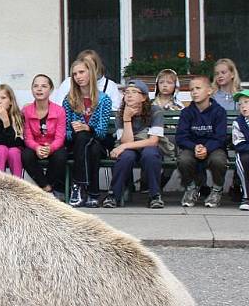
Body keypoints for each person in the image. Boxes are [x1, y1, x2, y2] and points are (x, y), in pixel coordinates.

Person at [102, 80, 166, 209]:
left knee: (150, 154)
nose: (129, 95)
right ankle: (114, 195)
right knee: (126, 157)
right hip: (131, 147)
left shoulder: (155, 111)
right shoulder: (121, 114)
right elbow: (126, 141)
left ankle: (155, 195)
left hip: (149, 146)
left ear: (143, 97)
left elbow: (153, 141)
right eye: (126, 92)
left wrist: (123, 146)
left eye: (134, 92)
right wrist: (127, 119)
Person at [63, 56, 113, 207]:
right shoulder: (69, 100)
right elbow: (66, 132)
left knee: (93, 146)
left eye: (81, 72)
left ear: (90, 73)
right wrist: (76, 130)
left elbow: (102, 133)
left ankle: (77, 186)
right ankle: (93, 193)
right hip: (75, 143)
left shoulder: (104, 99)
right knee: (84, 139)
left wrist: (87, 128)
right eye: (75, 74)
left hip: (97, 142)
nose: (78, 77)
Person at [177, 75, 228, 208]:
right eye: (191, 89)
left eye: (198, 88)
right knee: (183, 159)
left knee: (219, 160)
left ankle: (217, 190)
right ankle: (191, 188)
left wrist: (207, 149)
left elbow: (220, 137)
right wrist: (195, 147)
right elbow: (181, 137)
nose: (194, 92)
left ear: (209, 91)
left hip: (214, 148)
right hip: (192, 148)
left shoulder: (219, 112)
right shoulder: (186, 113)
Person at [21, 74, 67, 195]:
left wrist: (50, 148)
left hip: (53, 146)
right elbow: (28, 137)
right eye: (35, 86)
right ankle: (47, 188)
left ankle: (46, 186)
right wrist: (37, 148)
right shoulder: (27, 110)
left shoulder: (59, 111)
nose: (39, 89)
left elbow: (60, 138)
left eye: (44, 86)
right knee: (26, 155)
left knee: (60, 156)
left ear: (51, 89)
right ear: (32, 90)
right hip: (35, 146)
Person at [52, 49, 122, 110]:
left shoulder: (109, 86)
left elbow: (114, 109)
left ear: (97, 65)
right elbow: (59, 106)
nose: (78, 77)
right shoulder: (68, 82)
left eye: (90, 64)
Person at [0, 84, 24, 177]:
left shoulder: (18, 116)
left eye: (3, 98)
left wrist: (6, 121)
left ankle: (17, 186)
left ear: (10, 101)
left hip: (14, 148)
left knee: (14, 152)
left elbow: (16, 143)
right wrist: (1, 119)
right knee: (2, 149)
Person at [231, 89, 249, 211]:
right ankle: (247, 197)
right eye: (240, 104)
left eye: (246, 102)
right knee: (242, 160)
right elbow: (239, 144)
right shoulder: (238, 123)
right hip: (245, 152)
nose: (243, 106)